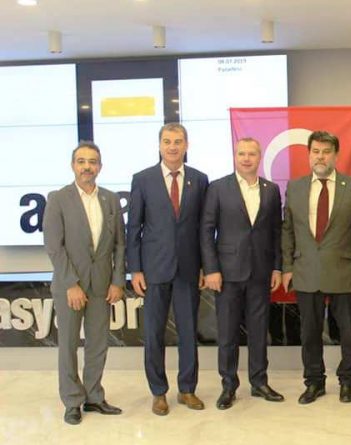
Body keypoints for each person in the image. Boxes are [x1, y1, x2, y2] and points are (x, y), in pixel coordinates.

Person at [281, 130, 351, 405]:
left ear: (336, 155)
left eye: (326, 152)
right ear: (309, 155)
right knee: (309, 332)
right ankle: (314, 382)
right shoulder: (295, 187)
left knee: (348, 331)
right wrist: (287, 267)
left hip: (344, 270)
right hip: (305, 270)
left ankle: (347, 381)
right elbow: (287, 230)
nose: (321, 157)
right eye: (316, 151)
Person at [127, 122, 209, 415]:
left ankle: (187, 389)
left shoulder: (200, 179)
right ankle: (158, 392)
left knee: (188, 332)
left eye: (177, 141)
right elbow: (133, 227)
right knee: (153, 334)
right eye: (167, 141)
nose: (172, 147)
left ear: (186, 145)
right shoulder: (143, 179)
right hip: (153, 270)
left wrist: (204, 265)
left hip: (188, 269)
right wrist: (135, 269)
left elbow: (204, 228)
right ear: (159, 145)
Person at [43, 141, 125, 425]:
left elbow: (120, 245)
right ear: (73, 165)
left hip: (102, 285)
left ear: (100, 167)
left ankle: (94, 396)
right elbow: (54, 246)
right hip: (70, 287)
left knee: (97, 344)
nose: (87, 167)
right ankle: (72, 401)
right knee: (68, 345)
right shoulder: (58, 199)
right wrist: (71, 284)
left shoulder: (110, 200)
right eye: (81, 161)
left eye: (92, 162)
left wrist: (117, 281)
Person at [200, 137, 284, 410]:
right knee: (227, 334)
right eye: (241, 154)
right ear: (235, 156)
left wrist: (277, 266)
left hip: (260, 272)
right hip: (226, 274)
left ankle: (259, 382)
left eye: (251, 154)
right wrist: (211, 269)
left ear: (259, 157)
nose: (246, 158)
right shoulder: (217, 188)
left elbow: (276, 231)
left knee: (259, 332)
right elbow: (206, 231)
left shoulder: (271, 190)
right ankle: (228, 386)